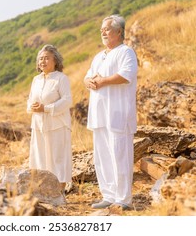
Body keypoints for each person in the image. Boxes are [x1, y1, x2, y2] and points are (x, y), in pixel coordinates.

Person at [84, 15, 138, 210]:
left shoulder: (126, 52)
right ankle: (108, 195)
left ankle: (123, 199)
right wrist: (89, 81)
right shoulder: (99, 56)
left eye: (107, 29)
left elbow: (126, 75)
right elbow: (87, 77)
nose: (103, 32)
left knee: (120, 155)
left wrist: (103, 81)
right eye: (102, 29)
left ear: (119, 32)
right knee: (103, 157)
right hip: (99, 115)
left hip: (118, 114)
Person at [27, 44, 72, 192]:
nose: (43, 61)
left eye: (47, 58)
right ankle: (43, 191)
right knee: (40, 157)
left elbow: (67, 101)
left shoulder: (61, 78)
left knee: (57, 158)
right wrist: (32, 107)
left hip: (57, 125)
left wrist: (45, 108)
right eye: (40, 59)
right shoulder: (36, 80)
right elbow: (29, 100)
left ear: (55, 61)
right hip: (38, 125)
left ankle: (59, 192)